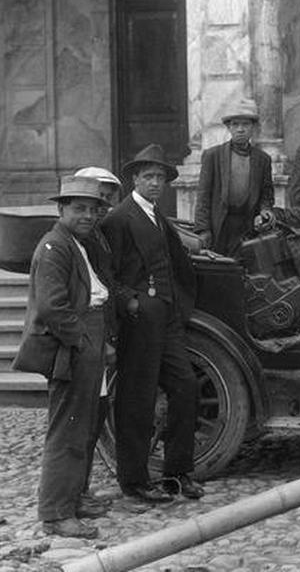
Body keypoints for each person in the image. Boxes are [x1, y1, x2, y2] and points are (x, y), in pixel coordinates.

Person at [100, 144, 203, 503]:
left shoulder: (158, 215)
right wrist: (129, 299)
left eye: (160, 177)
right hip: (139, 319)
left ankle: (178, 473)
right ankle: (134, 480)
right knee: (137, 399)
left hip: (168, 317)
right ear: (134, 179)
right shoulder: (119, 218)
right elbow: (106, 272)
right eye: (149, 177)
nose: (156, 183)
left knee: (186, 386)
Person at [12, 175, 113, 538]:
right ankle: (55, 514)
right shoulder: (54, 247)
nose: (87, 215)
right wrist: (83, 341)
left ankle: (74, 498)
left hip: (89, 338)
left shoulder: (75, 243)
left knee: (84, 426)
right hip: (73, 346)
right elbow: (52, 307)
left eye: (92, 209)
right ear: (61, 209)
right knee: (67, 430)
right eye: (78, 208)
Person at [71, 165, 123, 519]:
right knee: (79, 424)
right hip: (84, 341)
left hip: (100, 336)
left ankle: (82, 490)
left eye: (105, 200)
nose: (101, 207)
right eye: (95, 199)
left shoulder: (102, 235)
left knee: (95, 416)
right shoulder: (80, 241)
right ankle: (75, 494)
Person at [194, 98, 275, 255]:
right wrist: (203, 230)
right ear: (228, 128)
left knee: (248, 270)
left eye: (245, 125)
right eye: (235, 125)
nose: (240, 129)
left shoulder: (262, 159)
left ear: (253, 128)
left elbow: (267, 194)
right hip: (220, 225)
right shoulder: (213, 156)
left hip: (248, 226)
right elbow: (203, 196)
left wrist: (265, 211)